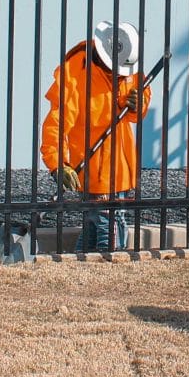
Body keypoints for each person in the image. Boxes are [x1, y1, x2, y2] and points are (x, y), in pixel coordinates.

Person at [39, 21, 151, 252]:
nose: (121, 74)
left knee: (95, 223)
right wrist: (57, 164)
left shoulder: (126, 65)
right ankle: (108, 265)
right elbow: (56, 124)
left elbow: (138, 101)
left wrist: (137, 105)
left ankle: (83, 261)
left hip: (121, 166)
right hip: (94, 169)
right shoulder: (76, 75)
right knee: (107, 226)